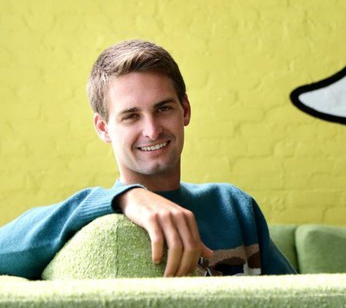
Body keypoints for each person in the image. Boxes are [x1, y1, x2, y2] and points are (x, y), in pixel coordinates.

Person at [0, 39, 295, 279]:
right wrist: (124, 197)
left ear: (185, 110)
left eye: (163, 108)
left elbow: (298, 297)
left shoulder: (235, 207)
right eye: (131, 116)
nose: (152, 130)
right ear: (103, 128)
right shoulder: (95, 221)